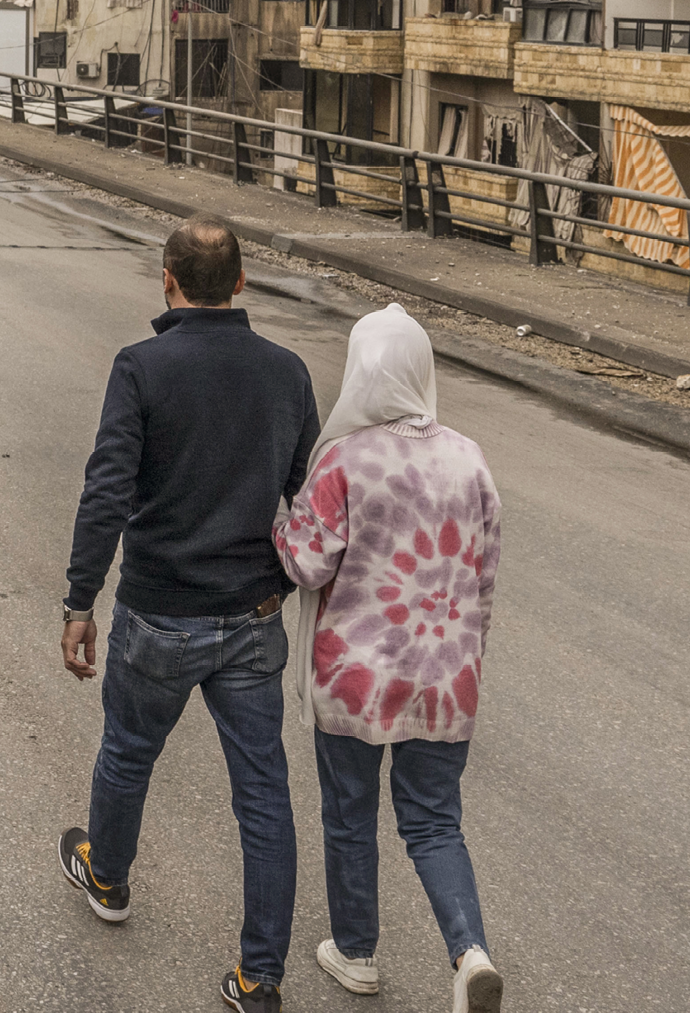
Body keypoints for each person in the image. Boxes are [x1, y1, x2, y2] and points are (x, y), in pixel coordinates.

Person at [56, 217, 319, 1012]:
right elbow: (309, 497)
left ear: (165, 279)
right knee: (263, 794)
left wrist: (79, 599)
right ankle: (259, 977)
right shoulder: (286, 372)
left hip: (158, 612)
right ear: (239, 281)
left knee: (127, 752)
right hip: (252, 617)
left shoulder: (140, 366)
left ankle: (107, 878)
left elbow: (107, 490)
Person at [272, 304, 505, 1012]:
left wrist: (278, 523)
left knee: (350, 815)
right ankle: (469, 953)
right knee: (433, 822)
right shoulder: (469, 457)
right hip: (445, 678)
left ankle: (356, 952)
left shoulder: (344, 459)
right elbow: (484, 573)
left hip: (355, 680)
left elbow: (306, 565)